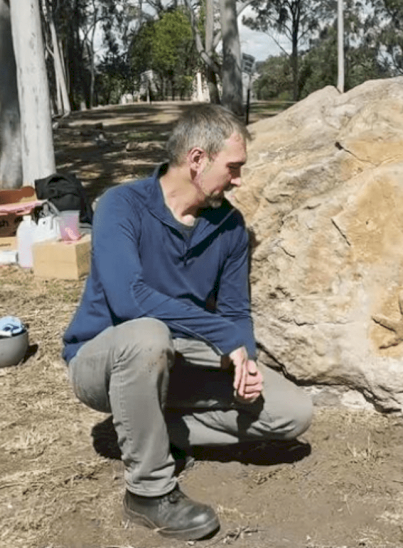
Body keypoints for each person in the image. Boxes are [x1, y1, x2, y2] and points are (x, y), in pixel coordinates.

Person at [61, 104, 313, 541]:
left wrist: (246, 361)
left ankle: (147, 431)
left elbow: (235, 312)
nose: (238, 179)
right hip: (106, 359)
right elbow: (129, 299)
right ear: (197, 160)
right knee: (148, 335)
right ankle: (148, 492)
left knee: (291, 413)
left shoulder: (230, 227)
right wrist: (223, 337)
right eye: (233, 167)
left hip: (181, 358)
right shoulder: (121, 205)